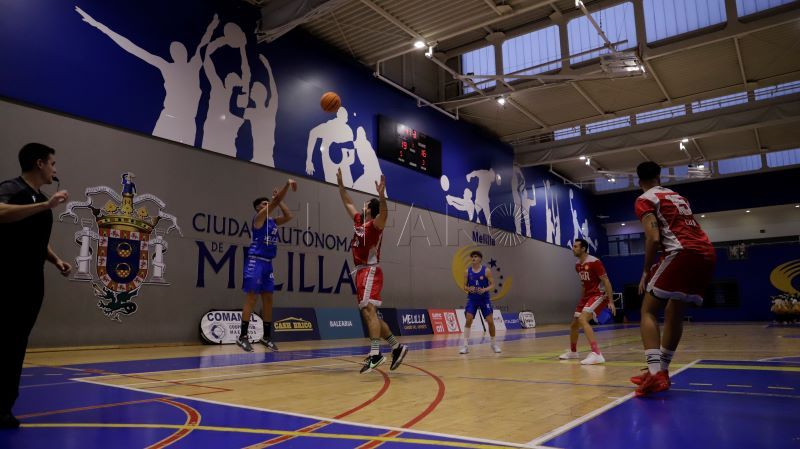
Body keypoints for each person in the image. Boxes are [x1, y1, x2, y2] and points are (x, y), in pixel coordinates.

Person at [0, 143, 72, 428]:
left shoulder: (37, 198)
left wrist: (55, 260)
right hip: (8, 279)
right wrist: (46, 205)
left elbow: (35, 239)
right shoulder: (13, 188)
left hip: (32, 280)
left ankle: (4, 406)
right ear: (39, 163)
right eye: (52, 163)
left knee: (16, 343)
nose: (55, 169)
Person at [630, 161, 715, 397]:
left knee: (647, 310)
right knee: (674, 311)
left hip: (681, 252)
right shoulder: (679, 197)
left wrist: (646, 271)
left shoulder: (645, 199)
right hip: (706, 253)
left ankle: (655, 373)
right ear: (660, 177)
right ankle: (662, 372)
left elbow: (654, 238)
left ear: (639, 182)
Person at [336, 168, 408, 374]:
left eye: (366, 204)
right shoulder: (360, 221)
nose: (362, 204)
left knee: (369, 312)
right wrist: (341, 186)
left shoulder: (376, 225)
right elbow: (348, 202)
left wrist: (382, 196)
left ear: (371, 209)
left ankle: (375, 354)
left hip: (369, 271)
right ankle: (396, 347)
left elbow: (384, 213)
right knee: (371, 315)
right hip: (360, 272)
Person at [236, 179, 297, 352]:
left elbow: (289, 216)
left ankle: (267, 336)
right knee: (252, 297)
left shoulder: (273, 222)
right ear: (258, 208)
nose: (268, 204)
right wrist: (285, 187)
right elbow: (275, 203)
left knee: (268, 299)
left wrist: (279, 199)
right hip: (255, 261)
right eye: (264, 203)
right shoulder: (258, 218)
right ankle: (242, 337)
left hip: (268, 264)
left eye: (268, 203)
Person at [559, 239, 615, 365]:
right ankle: (573, 352)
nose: (573, 248)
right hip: (587, 297)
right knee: (574, 325)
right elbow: (584, 285)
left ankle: (597, 354)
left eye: (575, 246)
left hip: (599, 294)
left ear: (583, 248)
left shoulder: (595, 262)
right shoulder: (577, 265)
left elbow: (606, 281)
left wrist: (611, 301)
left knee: (583, 319)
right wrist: (582, 301)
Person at [459, 250, 501, 354]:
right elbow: (464, 286)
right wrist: (469, 289)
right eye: (472, 257)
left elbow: (492, 284)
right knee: (468, 319)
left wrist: (485, 289)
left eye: (476, 256)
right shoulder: (467, 272)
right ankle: (465, 346)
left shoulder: (486, 271)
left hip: (484, 299)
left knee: (490, 321)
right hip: (472, 299)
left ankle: (493, 344)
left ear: (480, 259)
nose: (473, 258)